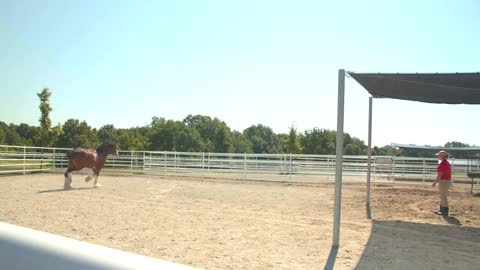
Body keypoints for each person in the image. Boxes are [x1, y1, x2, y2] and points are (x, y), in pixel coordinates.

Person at [432, 150, 452, 216]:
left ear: (442, 156)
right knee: (443, 195)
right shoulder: (446, 163)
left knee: (443, 196)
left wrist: (435, 182)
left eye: (439, 155)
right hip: (446, 181)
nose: (438, 156)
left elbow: (440, 175)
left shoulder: (442, 164)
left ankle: (444, 211)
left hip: (444, 181)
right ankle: (442, 210)